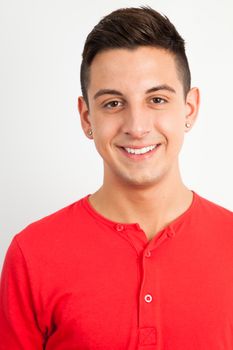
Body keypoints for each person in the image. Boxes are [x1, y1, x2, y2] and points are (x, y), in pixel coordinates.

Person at [0, 6, 232, 350]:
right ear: (86, 117)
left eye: (156, 99)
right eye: (112, 103)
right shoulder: (31, 254)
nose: (137, 127)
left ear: (190, 108)